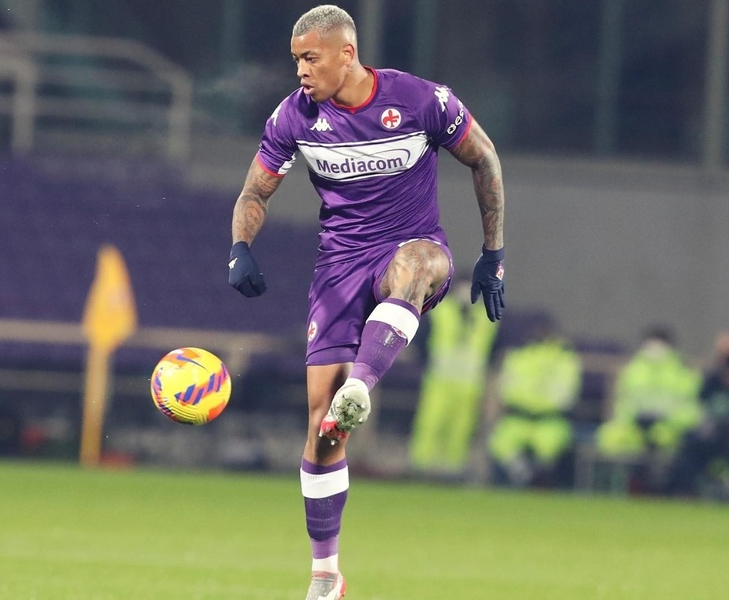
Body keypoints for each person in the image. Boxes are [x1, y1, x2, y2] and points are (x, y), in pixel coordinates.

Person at [227, 5, 505, 599]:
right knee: (323, 432)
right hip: (338, 269)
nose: (301, 70)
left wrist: (492, 252)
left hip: (411, 244)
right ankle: (326, 575)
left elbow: (484, 158)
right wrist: (240, 248)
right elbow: (255, 189)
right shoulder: (293, 117)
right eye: (296, 59)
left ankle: (362, 385)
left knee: (417, 266)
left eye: (311, 57)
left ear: (346, 53)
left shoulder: (422, 100)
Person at [409, 278, 500, 477]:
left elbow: (492, 353)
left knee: (460, 429)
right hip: (440, 381)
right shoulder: (440, 311)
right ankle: (421, 469)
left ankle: (452, 472)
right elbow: (420, 342)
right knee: (431, 423)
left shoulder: (486, 317)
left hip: (469, 385)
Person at [596, 326, 702, 492]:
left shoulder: (683, 372)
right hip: (634, 428)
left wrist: (668, 421)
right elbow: (622, 403)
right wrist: (634, 420)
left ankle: (667, 489)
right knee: (609, 437)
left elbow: (691, 409)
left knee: (681, 446)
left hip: (669, 429)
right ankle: (615, 489)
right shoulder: (632, 370)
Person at [488, 319, 582, 487]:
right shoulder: (518, 358)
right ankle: (526, 476)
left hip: (550, 419)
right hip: (519, 417)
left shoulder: (564, 360)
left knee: (550, 445)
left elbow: (566, 396)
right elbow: (505, 389)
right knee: (501, 442)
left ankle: (541, 477)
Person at [667, 332, 729, 498]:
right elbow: (699, 403)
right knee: (689, 446)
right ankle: (688, 492)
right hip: (714, 433)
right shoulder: (712, 380)